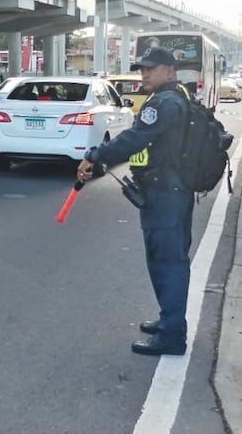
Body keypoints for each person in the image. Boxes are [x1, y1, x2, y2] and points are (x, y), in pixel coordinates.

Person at [76, 46, 195, 357]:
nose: (143, 73)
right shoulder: (179, 95)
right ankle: (169, 320)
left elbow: (134, 138)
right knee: (169, 260)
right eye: (142, 68)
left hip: (165, 194)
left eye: (150, 69)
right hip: (175, 190)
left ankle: (172, 335)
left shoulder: (164, 102)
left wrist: (96, 155)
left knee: (167, 262)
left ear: (169, 71)